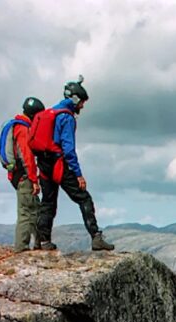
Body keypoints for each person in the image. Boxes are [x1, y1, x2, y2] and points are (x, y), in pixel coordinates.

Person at [33, 77, 114, 252]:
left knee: (48, 202)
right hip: (58, 164)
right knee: (84, 198)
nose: (82, 106)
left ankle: (43, 241)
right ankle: (96, 237)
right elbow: (68, 149)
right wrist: (78, 174)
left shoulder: (50, 113)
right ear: (76, 99)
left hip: (44, 164)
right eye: (82, 102)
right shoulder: (66, 118)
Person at [0, 97, 45, 252]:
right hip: (25, 177)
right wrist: (34, 179)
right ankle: (22, 248)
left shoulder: (17, 125)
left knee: (33, 208)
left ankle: (37, 244)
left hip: (18, 176)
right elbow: (27, 157)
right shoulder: (23, 129)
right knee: (27, 212)